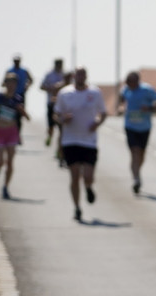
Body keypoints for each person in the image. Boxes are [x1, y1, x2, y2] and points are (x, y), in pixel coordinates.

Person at [53, 67, 107, 222]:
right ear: (73, 76)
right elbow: (56, 114)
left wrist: (97, 123)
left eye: (83, 74)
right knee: (74, 175)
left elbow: (103, 113)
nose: (81, 77)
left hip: (89, 140)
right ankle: (77, 207)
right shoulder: (65, 93)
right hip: (70, 140)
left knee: (88, 176)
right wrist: (63, 119)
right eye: (78, 74)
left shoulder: (95, 93)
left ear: (86, 76)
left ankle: (89, 187)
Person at [116, 70, 156, 194]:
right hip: (130, 126)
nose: (128, 83)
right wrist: (121, 108)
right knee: (134, 151)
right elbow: (121, 101)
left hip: (144, 127)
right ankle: (136, 179)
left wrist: (149, 108)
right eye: (127, 81)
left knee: (141, 154)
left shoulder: (147, 90)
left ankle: (137, 171)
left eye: (130, 81)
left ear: (137, 80)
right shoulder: (125, 90)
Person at [5, 54, 34, 143]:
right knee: (10, 115)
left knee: (19, 116)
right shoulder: (9, 70)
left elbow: (31, 79)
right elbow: (4, 81)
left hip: (20, 95)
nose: (16, 62)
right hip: (10, 95)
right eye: (15, 61)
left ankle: (17, 135)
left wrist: (27, 86)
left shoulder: (24, 71)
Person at [40, 59, 66, 149]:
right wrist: (50, 89)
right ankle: (49, 136)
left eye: (60, 64)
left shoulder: (65, 75)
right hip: (51, 103)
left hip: (62, 105)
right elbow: (41, 86)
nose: (59, 66)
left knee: (62, 129)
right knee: (51, 126)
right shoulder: (49, 74)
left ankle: (59, 150)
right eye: (58, 64)